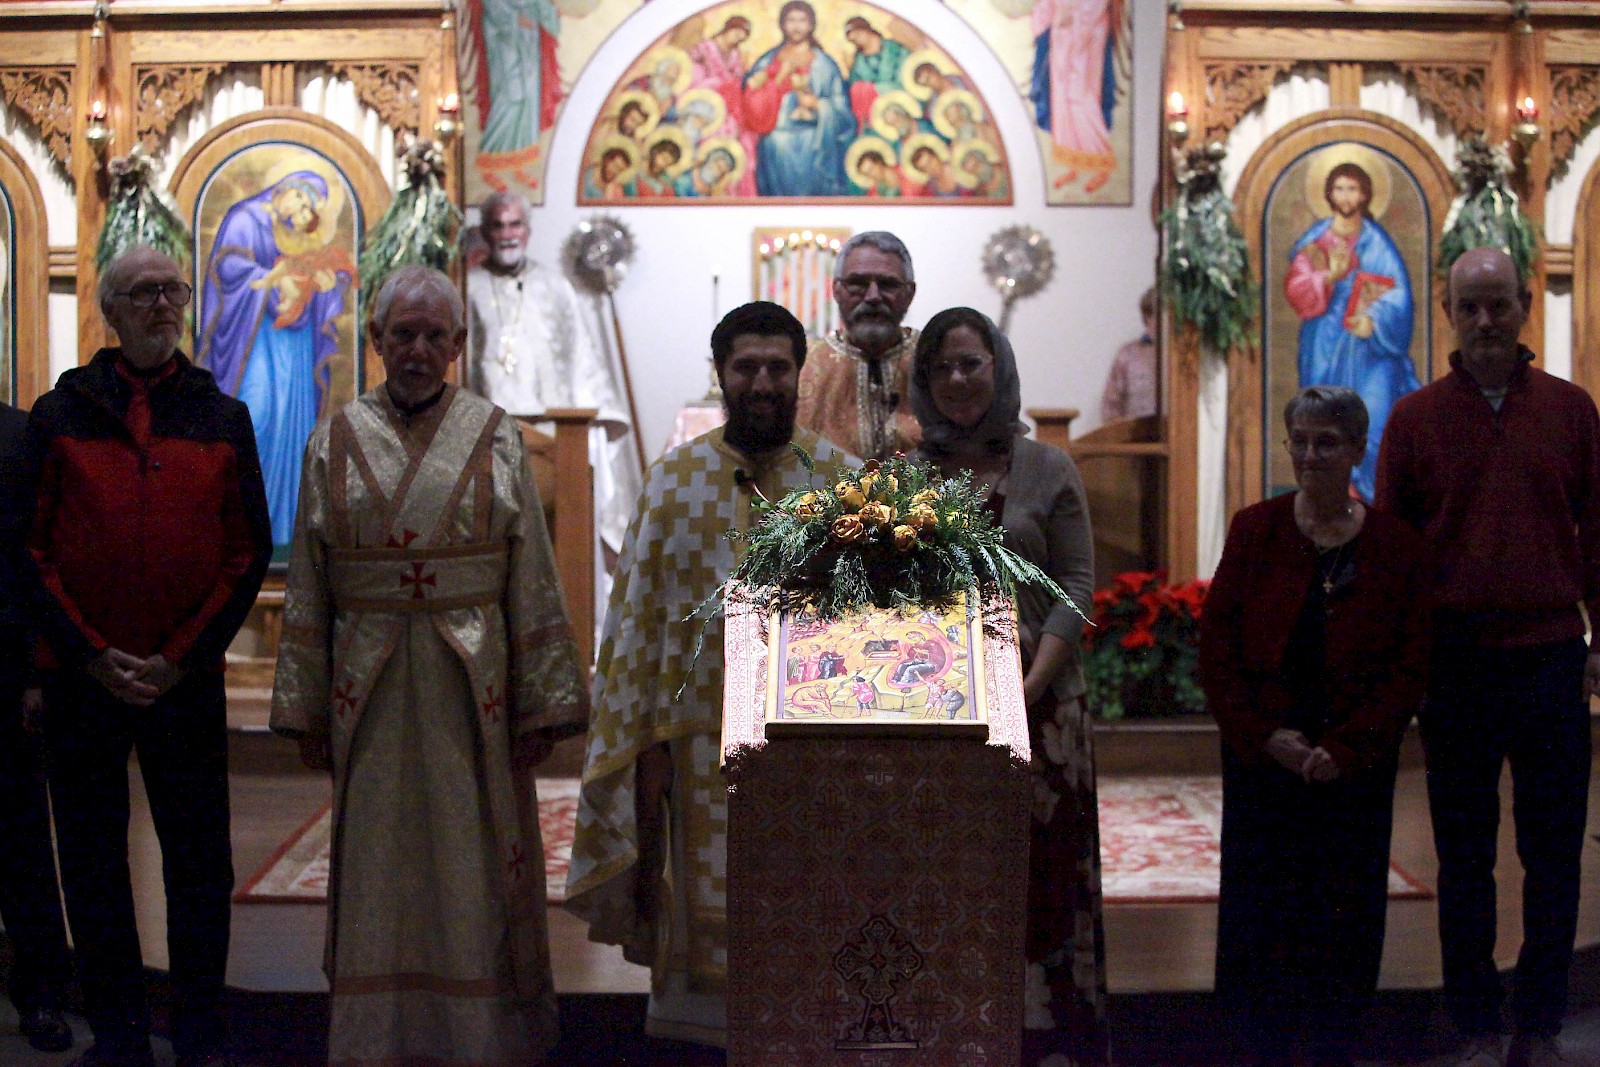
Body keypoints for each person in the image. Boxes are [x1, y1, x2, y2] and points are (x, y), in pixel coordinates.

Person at [271, 265, 588, 1065]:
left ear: (457, 344)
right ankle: (377, 1038)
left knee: (472, 851)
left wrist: (543, 701)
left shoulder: (496, 434)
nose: (417, 349)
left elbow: (531, 567)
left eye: (433, 335)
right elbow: (310, 578)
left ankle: (478, 1037)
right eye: (402, 334)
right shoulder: (333, 440)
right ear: (376, 340)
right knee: (376, 855)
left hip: (472, 684)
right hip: (367, 683)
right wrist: (304, 704)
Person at [566, 301, 852, 1049]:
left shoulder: (842, 484)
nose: (762, 382)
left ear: (800, 373)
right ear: (720, 373)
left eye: (778, 367)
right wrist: (645, 748)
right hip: (694, 751)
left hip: (810, 746)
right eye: (745, 367)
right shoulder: (672, 482)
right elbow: (636, 628)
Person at [23, 245, 272, 1067]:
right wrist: (90, 653)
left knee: (199, 864)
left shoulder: (222, 415)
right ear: (110, 311)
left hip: (181, 681)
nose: (162, 304)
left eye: (173, 290)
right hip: (83, 681)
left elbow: (247, 550)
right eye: (142, 292)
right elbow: (30, 549)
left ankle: (200, 1034)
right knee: (93, 863)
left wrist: (178, 657)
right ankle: (120, 1037)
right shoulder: (60, 414)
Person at [1375, 247, 1600, 1067]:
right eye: (1468, 306)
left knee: (1553, 852)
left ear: (1524, 305)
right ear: (1446, 313)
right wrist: (1402, 664)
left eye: (1498, 304)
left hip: (1549, 657)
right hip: (1457, 663)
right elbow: (1394, 554)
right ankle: (1476, 1024)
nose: (1484, 321)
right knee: (1465, 856)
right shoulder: (1414, 419)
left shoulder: (1571, 410)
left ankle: (1538, 1025)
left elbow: (1598, 534)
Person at [1202, 386, 1430, 1066]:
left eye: (1326, 442)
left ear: (1357, 449)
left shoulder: (1395, 546)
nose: (1309, 455)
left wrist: (1350, 746)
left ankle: (1335, 1045)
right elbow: (1217, 648)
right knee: (1262, 910)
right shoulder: (1256, 530)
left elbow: (1410, 664)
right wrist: (1263, 735)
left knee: (1344, 910)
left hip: (1352, 764)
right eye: (1298, 441)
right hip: (1265, 758)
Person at [909, 307, 1104, 1067]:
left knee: (1042, 873)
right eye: (940, 368)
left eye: (971, 363)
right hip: (939, 710)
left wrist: (1029, 684)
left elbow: (1076, 585)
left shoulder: (1049, 468)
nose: (957, 379)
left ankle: (1049, 1043)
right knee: (949, 872)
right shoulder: (902, 477)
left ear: (1000, 367)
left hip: (1042, 708)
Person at [465, 190, 640, 567]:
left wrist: (599, 415)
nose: (507, 234)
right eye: (497, 225)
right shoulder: (467, 288)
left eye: (515, 224)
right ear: (485, 232)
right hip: (489, 434)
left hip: (554, 434)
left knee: (559, 543)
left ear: (527, 230)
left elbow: (580, 358)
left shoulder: (554, 286)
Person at [197, 170, 351, 551]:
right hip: (253, 341)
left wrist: (323, 285)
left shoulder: (303, 237)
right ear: (284, 190)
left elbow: (317, 276)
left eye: (308, 211)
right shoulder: (245, 219)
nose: (300, 213)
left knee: (294, 429)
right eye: (299, 201)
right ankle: (241, 533)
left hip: (295, 347)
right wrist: (274, 279)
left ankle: (285, 533)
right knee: (258, 416)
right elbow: (227, 270)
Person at [0, 400, 73, 1055]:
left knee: (20, 840)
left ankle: (41, 993)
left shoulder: (19, 435)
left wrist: (33, 672)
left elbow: (35, 561)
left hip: (4, 669)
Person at [1287, 160, 1419, 502]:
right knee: (1322, 423)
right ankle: (1331, 500)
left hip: (1370, 351)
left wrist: (1373, 319)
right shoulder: (1316, 242)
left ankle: (1373, 504)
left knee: (1374, 424)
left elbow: (1400, 296)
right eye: (1339, 188)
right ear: (1329, 194)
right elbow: (1297, 289)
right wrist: (1329, 277)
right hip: (1324, 344)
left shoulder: (1377, 243)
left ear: (1364, 195)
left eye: (1353, 189)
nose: (1346, 196)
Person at [796, 230, 921, 460]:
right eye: (857, 284)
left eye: (888, 284)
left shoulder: (932, 359)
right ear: (836, 290)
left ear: (909, 293)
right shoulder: (804, 367)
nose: (873, 296)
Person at [741, 0, 856, 196]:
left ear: (811, 25)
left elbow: (845, 115)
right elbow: (748, 101)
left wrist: (818, 105)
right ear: (782, 24)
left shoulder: (825, 65)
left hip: (815, 145)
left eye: (802, 20)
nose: (796, 26)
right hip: (775, 143)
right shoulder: (767, 61)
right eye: (791, 20)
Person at [1029, 0, 1122, 194]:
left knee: (1082, 98)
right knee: (1061, 100)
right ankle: (1073, 165)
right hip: (1062, 39)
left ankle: (1103, 165)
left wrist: (1072, 17)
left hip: (1087, 39)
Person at [470, 0, 561, 192]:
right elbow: (495, 10)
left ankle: (519, 166)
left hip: (528, 49)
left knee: (528, 104)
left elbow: (543, 9)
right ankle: (488, 165)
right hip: (505, 50)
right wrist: (517, 19)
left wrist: (549, 12)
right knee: (508, 102)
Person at [1100, 285, 1159, 422]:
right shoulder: (1127, 355)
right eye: (1156, 316)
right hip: (1134, 433)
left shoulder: (1177, 358)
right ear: (1147, 317)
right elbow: (1111, 407)